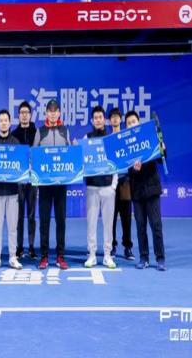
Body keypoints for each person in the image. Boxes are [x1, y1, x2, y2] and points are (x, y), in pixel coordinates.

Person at [125, 110, 167, 271]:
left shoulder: (149, 137)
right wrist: (134, 169)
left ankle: (160, 258)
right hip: (136, 191)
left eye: (133, 122)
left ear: (139, 123)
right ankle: (144, 257)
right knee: (140, 226)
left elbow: (161, 159)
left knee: (156, 225)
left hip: (152, 188)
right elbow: (127, 170)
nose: (131, 125)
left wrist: (163, 149)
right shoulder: (126, 145)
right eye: (128, 123)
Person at [33, 99, 70, 270]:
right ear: (46, 113)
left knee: (61, 221)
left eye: (55, 111)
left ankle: (60, 256)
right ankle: (44, 256)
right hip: (45, 186)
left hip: (61, 185)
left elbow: (70, 154)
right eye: (50, 111)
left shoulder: (65, 131)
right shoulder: (40, 131)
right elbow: (34, 155)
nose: (53, 114)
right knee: (44, 221)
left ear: (59, 113)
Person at [83, 106, 117, 269]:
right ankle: (91, 255)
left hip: (108, 187)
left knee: (108, 223)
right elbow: (82, 160)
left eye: (100, 117)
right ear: (92, 120)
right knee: (91, 223)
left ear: (105, 120)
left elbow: (116, 162)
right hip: (92, 187)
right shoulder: (87, 138)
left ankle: (107, 255)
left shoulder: (111, 138)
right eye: (95, 118)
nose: (98, 120)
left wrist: (114, 186)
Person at [0, 110, 22, 270]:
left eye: (5, 120)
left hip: (13, 191)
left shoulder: (16, 143)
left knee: (12, 226)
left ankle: (13, 256)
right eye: (0, 120)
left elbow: (21, 167)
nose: (3, 123)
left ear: (10, 123)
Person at [12, 100, 37, 259]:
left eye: (26, 112)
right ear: (18, 115)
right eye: (22, 113)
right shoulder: (14, 134)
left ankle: (32, 247)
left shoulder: (37, 132)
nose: (24, 115)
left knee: (31, 215)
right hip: (19, 180)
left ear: (30, 115)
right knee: (19, 215)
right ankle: (19, 247)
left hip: (33, 179)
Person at [108, 107, 134, 260]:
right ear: (109, 121)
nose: (115, 119)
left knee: (126, 217)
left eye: (117, 116)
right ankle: (112, 246)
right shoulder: (106, 140)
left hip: (125, 182)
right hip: (110, 184)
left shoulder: (126, 137)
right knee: (111, 217)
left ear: (121, 119)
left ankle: (127, 247)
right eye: (112, 117)